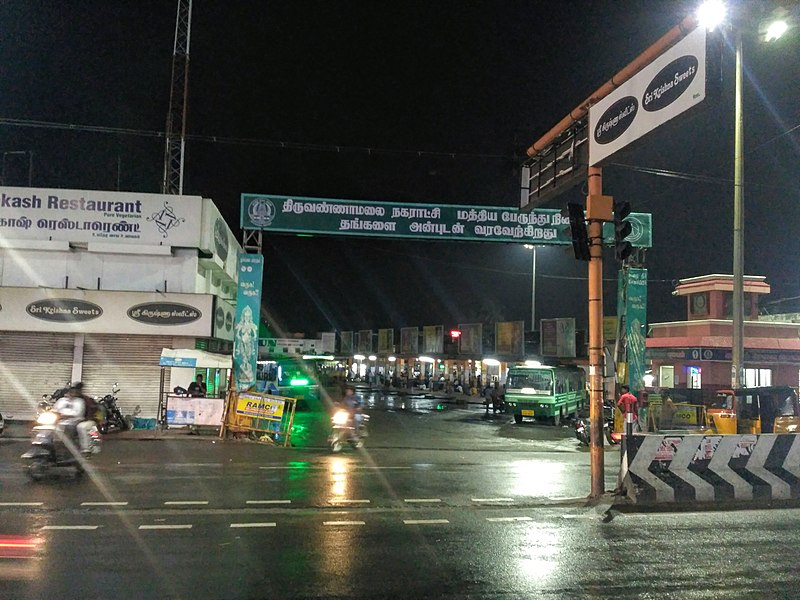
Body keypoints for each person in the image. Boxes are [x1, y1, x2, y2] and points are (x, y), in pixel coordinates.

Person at [53, 382, 97, 455]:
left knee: (81, 428)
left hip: (75, 421)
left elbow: (78, 413)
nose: (72, 393)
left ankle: (85, 448)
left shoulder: (80, 401)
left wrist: (65, 416)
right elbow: (55, 409)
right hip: (60, 420)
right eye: (71, 392)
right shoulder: (61, 400)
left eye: (75, 392)